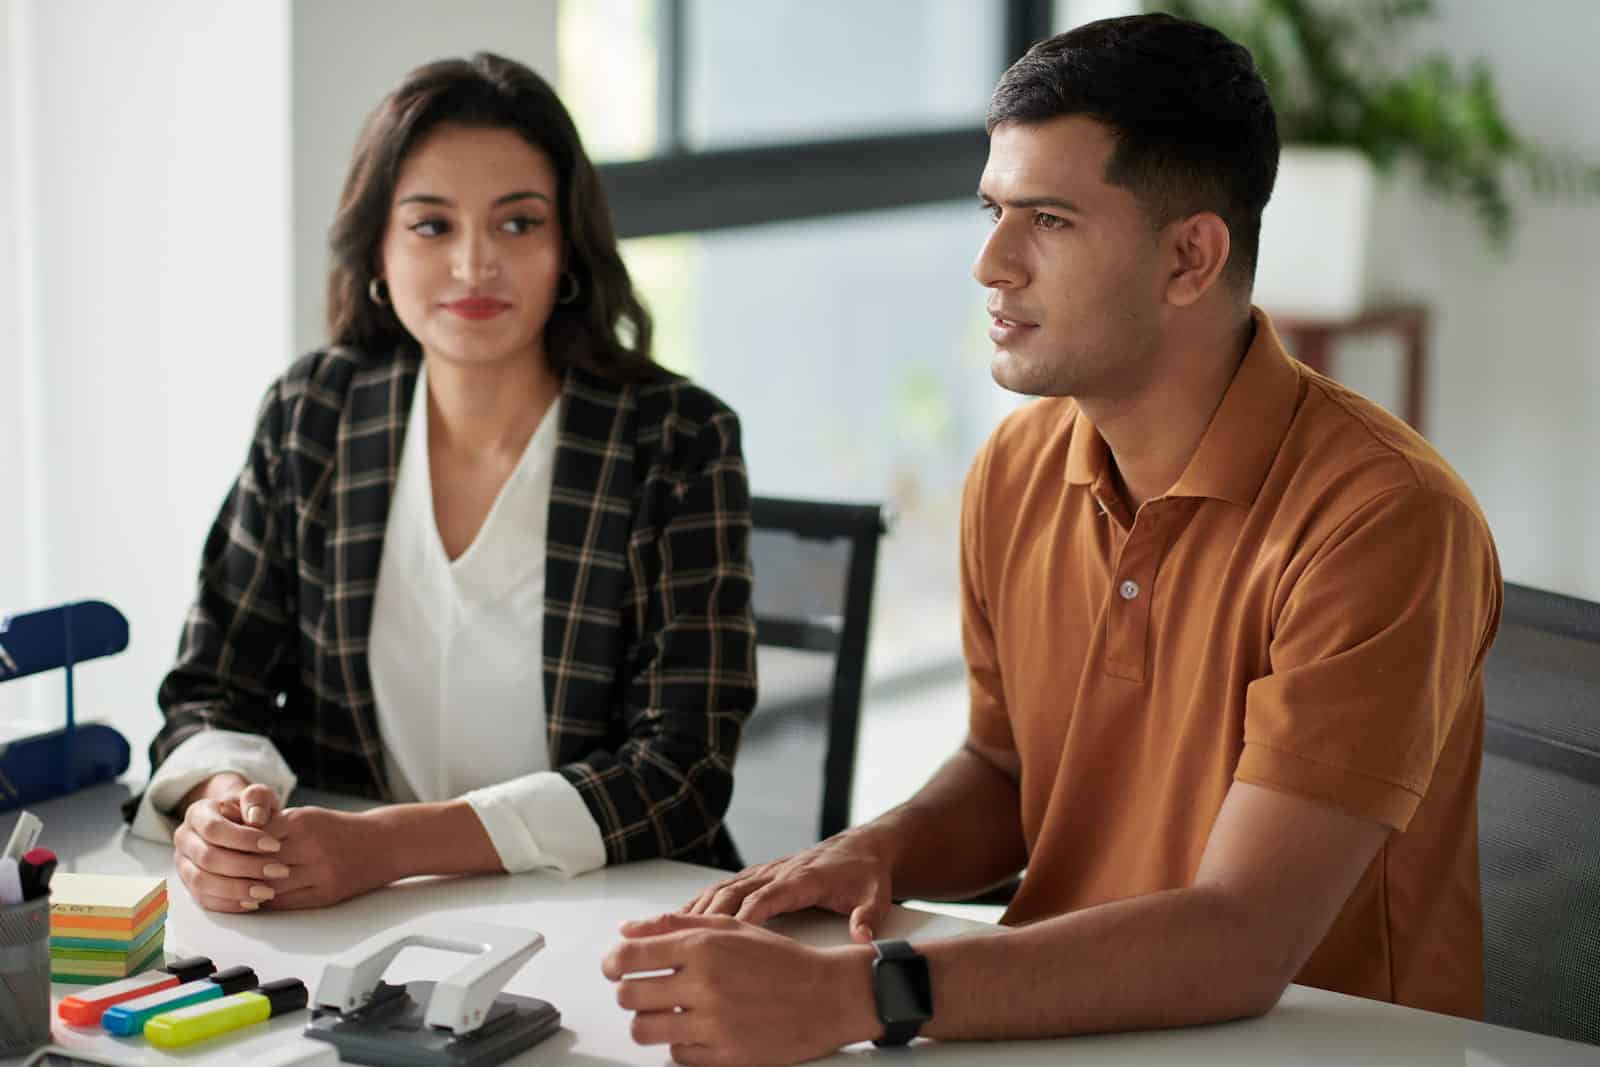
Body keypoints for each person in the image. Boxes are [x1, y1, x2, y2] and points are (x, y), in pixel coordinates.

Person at [601, 14, 1501, 1065]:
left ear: (1189, 257)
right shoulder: (1017, 467)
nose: (991, 262)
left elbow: (1241, 937)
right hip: (1057, 1026)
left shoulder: (1383, 519)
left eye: (1050, 220)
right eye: (993, 209)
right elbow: (1006, 769)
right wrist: (877, 848)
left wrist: (860, 994)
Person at [124, 53, 757, 912]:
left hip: (614, 914)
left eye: (518, 223)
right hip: (348, 917)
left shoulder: (676, 440)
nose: (474, 264)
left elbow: (679, 770)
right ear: (378, 251)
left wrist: (389, 846)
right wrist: (224, 808)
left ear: (567, 247)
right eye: (432, 225)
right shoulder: (314, 415)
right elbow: (212, 687)